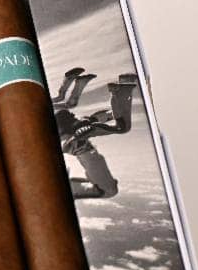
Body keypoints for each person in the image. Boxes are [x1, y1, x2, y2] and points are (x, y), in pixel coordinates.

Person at [55, 70, 138, 199]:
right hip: (69, 129)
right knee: (113, 124)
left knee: (108, 190)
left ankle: (122, 90)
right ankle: (121, 90)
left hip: (71, 135)